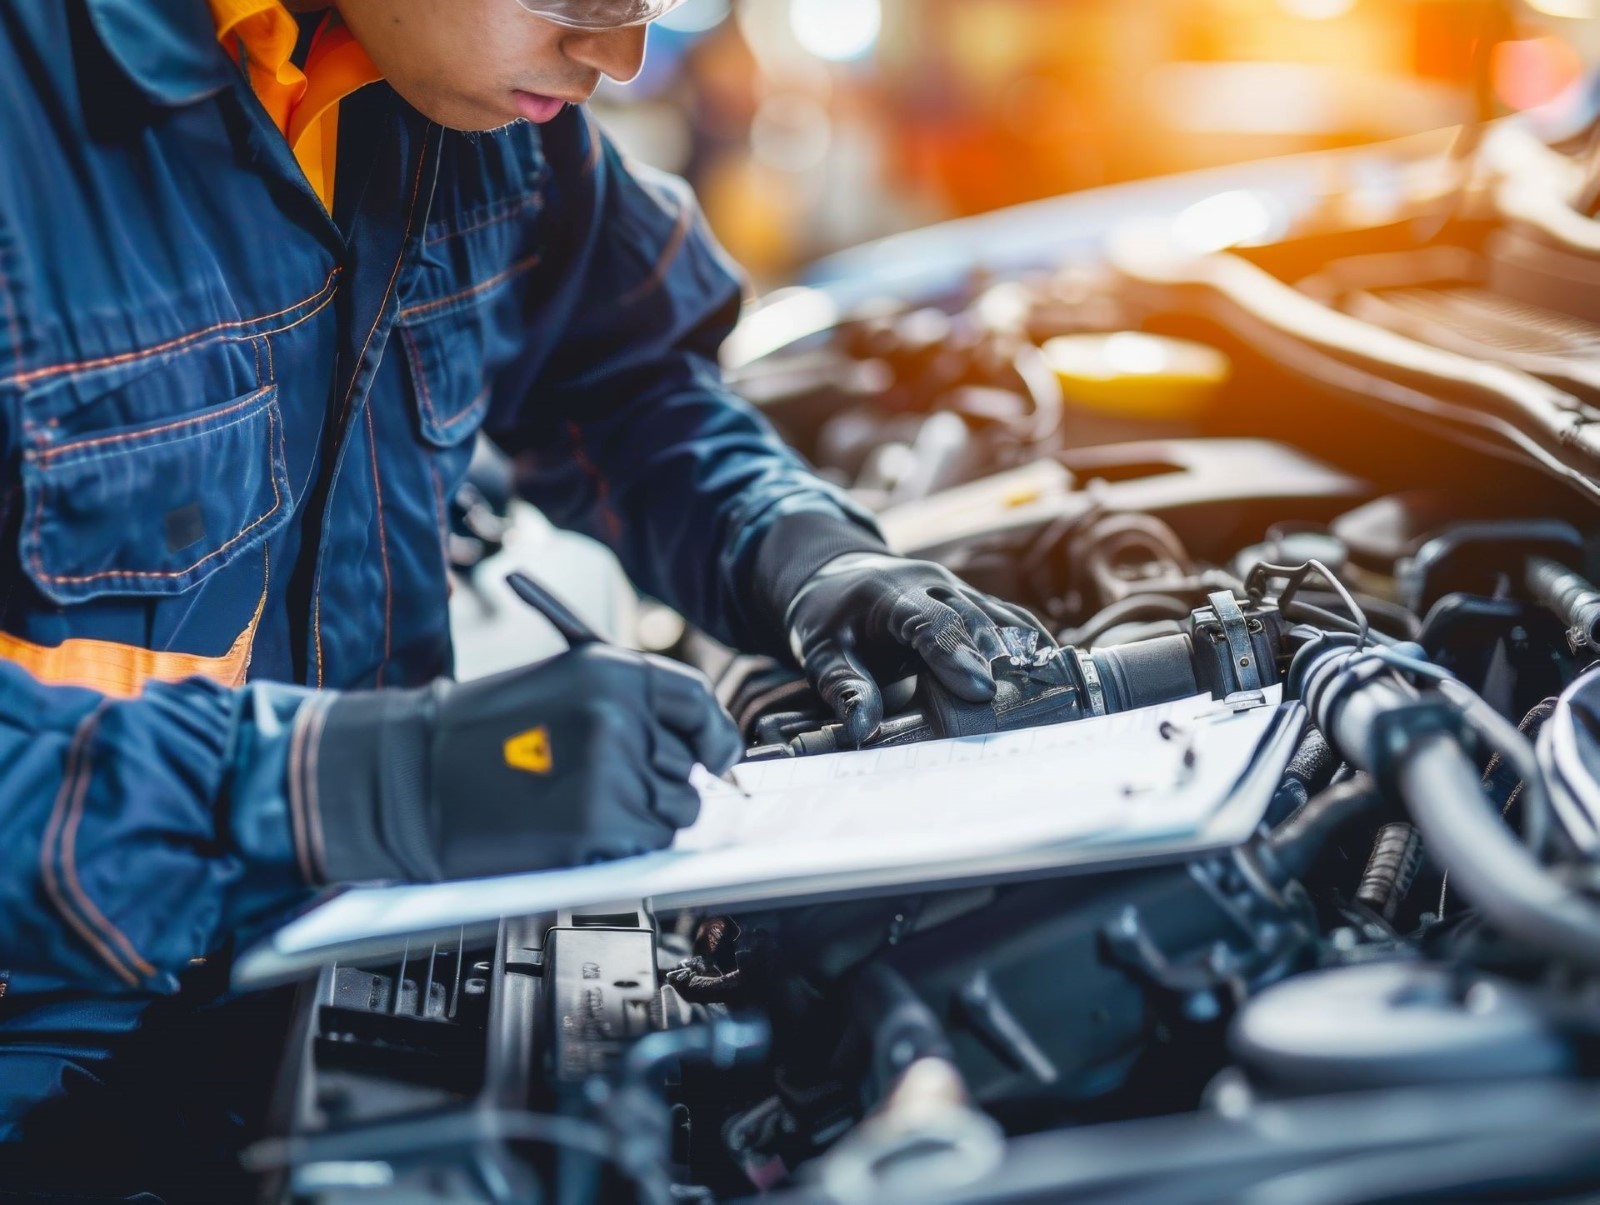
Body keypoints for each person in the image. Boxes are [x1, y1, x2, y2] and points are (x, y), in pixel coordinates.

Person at [0, 0, 1048, 1186]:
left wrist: (800, 552)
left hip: (341, 956)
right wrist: (365, 779)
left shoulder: (452, 89)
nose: (619, 59)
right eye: (583, 0)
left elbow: (625, 379)